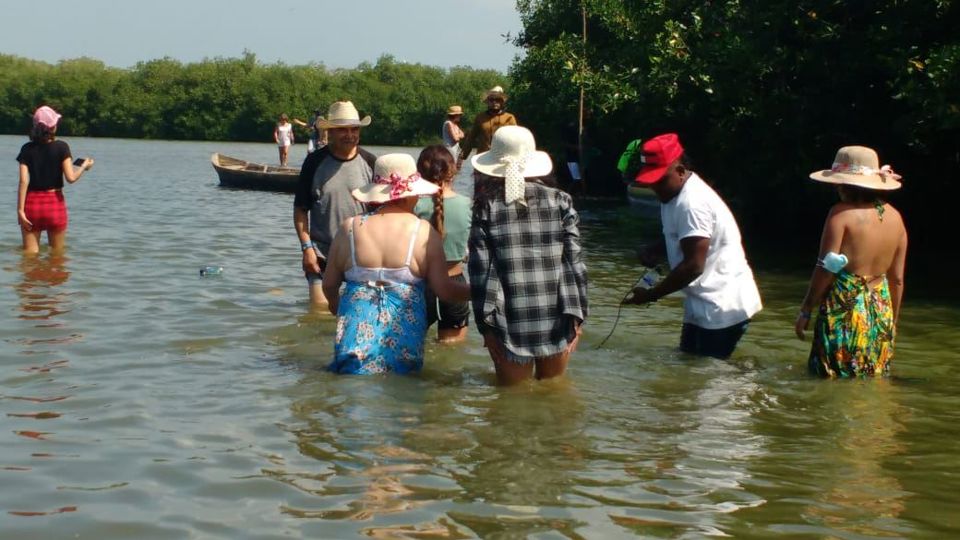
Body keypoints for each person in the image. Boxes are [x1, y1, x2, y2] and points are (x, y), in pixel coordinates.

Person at [322, 153, 471, 374]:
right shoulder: (423, 231)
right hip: (404, 351)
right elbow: (445, 291)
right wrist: (481, 291)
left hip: (352, 348)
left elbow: (329, 285)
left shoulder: (350, 228)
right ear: (412, 194)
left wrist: (336, 307)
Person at [623, 133, 762, 359]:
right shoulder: (671, 195)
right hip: (700, 300)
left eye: (660, 180)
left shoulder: (692, 203)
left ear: (680, 171)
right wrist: (657, 249)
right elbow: (684, 236)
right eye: (651, 182)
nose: (656, 188)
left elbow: (693, 265)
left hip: (721, 305)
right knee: (687, 366)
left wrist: (651, 295)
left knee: (709, 380)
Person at [469, 126, 588, 385]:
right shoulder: (562, 201)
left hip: (507, 318)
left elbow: (479, 272)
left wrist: (485, 328)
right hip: (558, 313)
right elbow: (575, 263)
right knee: (553, 396)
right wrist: (578, 316)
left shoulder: (485, 206)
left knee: (511, 402)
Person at [795, 146, 907, 377]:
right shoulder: (896, 217)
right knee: (872, 376)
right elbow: (896, 280)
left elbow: (825, 268)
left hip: (844, 310)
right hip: (881, 308)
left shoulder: (840, 214)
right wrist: (892, 323)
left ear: (843, 184)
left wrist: (806, 309)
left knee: (829, 376)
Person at [293, 101, 377, 307]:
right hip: (320, 253)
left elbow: (380, 213)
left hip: (361, 255)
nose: (350, 135)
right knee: (318, 317)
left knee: (356, 316)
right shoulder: (313, 162)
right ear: (330, 132)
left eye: (354, 129)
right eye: (343, 130)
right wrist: (307, 249)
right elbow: (300, 210)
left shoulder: (370, 162)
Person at [16, 105, 94, 254]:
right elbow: (70, 177)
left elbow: (23, 182)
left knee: (30, 256)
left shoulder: (26, 149)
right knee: (57, 256)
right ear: (53, 127)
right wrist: (84, 166)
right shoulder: (62, 147)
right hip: (54, 204)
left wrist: (20, 211)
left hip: (32, 205)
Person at [414, 145, 472, 343]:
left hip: (420, 286)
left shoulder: (414, 206)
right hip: (456, 285)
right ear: (452, 171)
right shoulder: (468, 204)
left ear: (419, 173)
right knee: (450, 358)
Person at [456, 86, 517, 169]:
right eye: (492, 100)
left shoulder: (509, 118)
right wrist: (461, 157)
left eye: (498, 100)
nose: (495, 102)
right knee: (481, 181)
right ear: (487, 101)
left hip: (503, 160)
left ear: (502, 102)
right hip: (482, 159)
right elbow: (471, 138)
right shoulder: (480, 118)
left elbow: (516, 140)